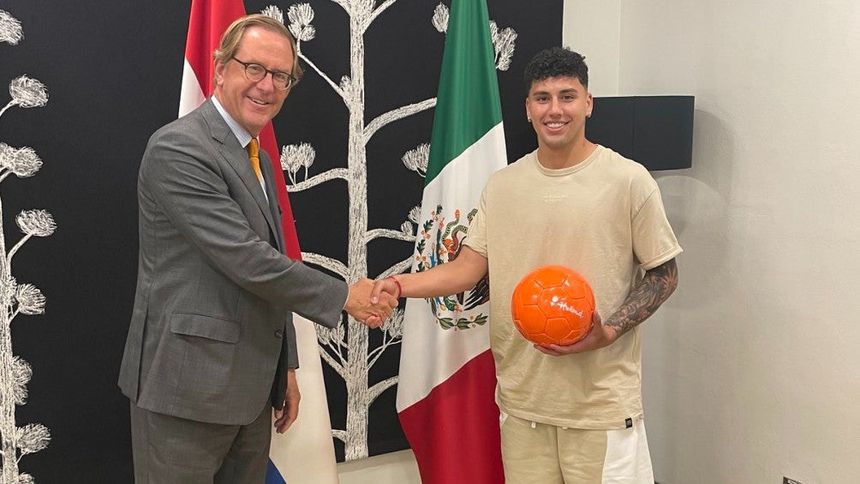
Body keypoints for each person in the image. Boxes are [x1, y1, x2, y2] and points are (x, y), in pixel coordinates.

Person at [372, 47, 681, 483]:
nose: (555, 110)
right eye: (542, 98)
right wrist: (399, 286)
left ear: (588, 103)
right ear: (528, 109)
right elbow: (467, 269)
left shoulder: (629, 180)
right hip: (522, 405)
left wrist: (608, 331)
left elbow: (664, 275)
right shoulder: (503, 186)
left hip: (600, 408)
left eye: (567, 96)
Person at [118, 14, 394, 483]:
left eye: (281, 76)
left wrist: (285, 367)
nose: (267, 86)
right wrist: (346, 296)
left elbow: (272, 262)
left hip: (251, 388)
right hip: (185, 390)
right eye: (254, 68)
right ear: (220, 68)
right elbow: (246, 259)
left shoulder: (259, 157)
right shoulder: (179, 149)